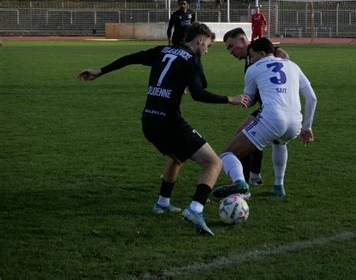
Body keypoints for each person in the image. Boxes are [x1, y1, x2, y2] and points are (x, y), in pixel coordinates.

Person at [78, 22, 250, 236]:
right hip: (169, 123)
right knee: (214, 162)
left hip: (148, 121)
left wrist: (100, 71)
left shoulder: (162, 50)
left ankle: (162, 202)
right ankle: (196, 209)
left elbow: (132, 58)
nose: (207, 50)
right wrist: (230, 99)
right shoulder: (192, 61)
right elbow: (199, 94)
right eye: (207, 45)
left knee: (177, 156)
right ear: (200, 40)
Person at [213, 37, 317, 199]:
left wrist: (237, 99)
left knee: (227, 155)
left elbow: (248, 100)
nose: (251, 60)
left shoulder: (253, 69)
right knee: (280, 142)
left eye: (252, 56)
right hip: (295, 122)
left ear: (261, 53)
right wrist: (307, 127)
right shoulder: (293, 65)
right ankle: (278, 186)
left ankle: (240, 183)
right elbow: (312, 98)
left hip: (272, 117)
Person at [223, 27, 290, 196]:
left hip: (272, 107)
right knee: (257, 138)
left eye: (231, 46)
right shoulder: (249, 59)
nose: (231, 52)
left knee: (243, 136)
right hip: (273, 107)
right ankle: (256, 177)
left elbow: (280, 54)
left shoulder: (259, 52)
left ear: (242, 40)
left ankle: (244, 184)